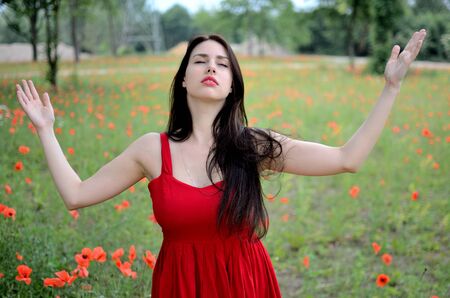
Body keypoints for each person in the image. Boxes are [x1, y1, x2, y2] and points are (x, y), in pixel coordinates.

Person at [15, 29, 427, 297]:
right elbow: (75, 194)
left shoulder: (253, 146)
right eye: (200, 60)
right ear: (183, 78)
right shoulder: (150, 150)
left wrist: (390, 88)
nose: (212, 66)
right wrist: (46, 130)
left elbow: (346, 159)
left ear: (232, 85)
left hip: (246, 285)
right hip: (180, 287)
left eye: (222, 63)